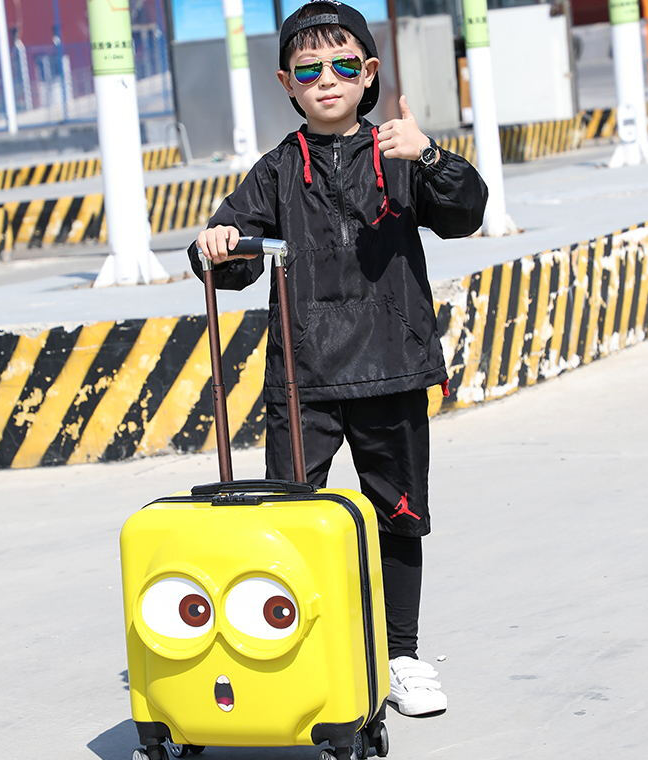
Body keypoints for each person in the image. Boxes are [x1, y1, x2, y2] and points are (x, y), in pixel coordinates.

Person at [189, 0, 487, 716]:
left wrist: (433, 156)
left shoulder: (400, 152)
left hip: (393, 366)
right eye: (308, 69)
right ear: (286, 83)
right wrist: (215, 245)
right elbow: (230, 255)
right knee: (286, 520)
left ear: (369, 73)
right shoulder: (274, 171)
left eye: (344, 65)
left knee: (400, 515)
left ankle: (401, 656)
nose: (327, 79)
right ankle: (296, 655)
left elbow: (465, 214)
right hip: (305, 378)